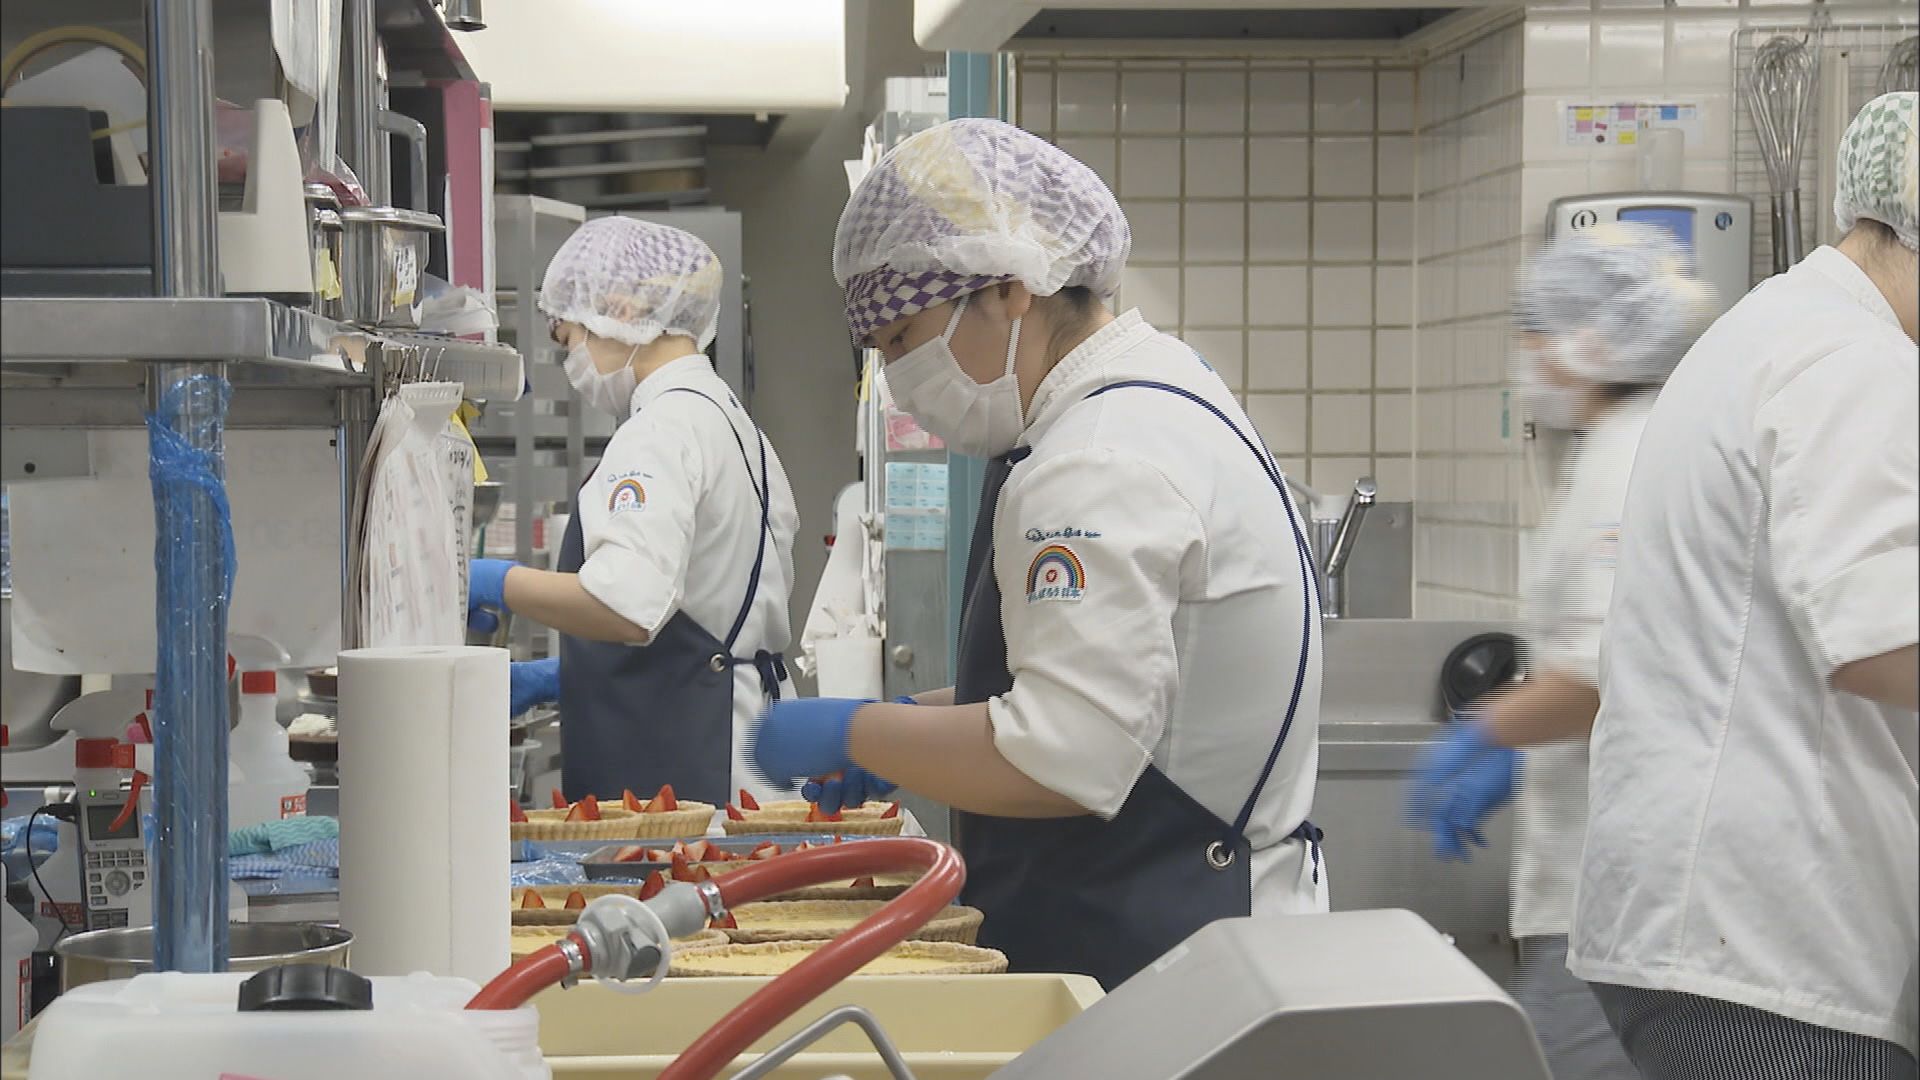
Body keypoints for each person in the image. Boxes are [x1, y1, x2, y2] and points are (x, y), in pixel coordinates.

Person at [747, 118, 1327, 990]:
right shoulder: (1157, 397)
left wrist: (856, 726)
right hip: (1168, 927)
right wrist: (906, 728)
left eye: (905, 339)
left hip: (1160, 957)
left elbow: (1068, 751)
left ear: (1013, 288)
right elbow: (1111, 691)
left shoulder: (1097, 459)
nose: (899, 378)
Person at [1569, 91, 1920, 1079]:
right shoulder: (1851, 362)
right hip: (1770, 945)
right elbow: (1884, 638)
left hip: (1718, 926)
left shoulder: (1773, 329)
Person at [1405, 223, 1716, 1080]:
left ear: (1591, 341)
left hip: (1616, 897)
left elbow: (1596, 673)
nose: (1526, 356)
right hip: (1606, 883)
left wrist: (1486, 735)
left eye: (1533, 334)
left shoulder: (1628, 463)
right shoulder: (1619, 449)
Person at [466, 217, 799, 806]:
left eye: (568, 339)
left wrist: (495, 581)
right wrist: (565, 677)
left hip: (690, 761)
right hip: (737, 733)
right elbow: (705, 603)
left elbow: (627, 608)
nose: (573, 364)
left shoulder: (659, 430)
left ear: (617, 310)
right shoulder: (731, 421)